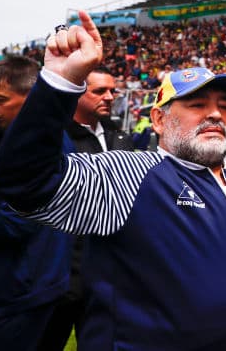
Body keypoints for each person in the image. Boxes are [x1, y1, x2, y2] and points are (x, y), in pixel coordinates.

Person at [0, 14, 226, 350]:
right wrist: (59, 82)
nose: (215, 114)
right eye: (197, 104)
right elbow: (24, 181)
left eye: (224, 106)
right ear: (158, 119)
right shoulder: (130, 174)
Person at [39, 66, 136, 351]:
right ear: (78, 93)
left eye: (112, 91)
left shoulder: (121, 138)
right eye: (99, 91)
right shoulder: (57, 139)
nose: (108, 97)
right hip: (61, 273)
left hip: (109, 275)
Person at [0, 56, 71, 350]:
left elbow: (19, 219)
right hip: (24, 283)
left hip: (21, 289)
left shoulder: (43, 145)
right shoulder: (15, 137)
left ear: (32, 99)